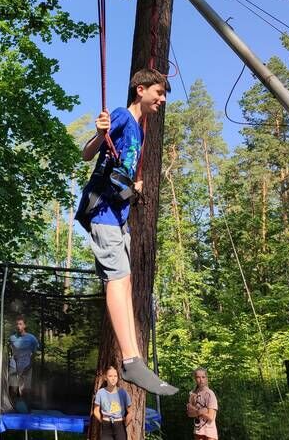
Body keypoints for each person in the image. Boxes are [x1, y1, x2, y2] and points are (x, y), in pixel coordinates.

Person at [78, 68, 178, 396]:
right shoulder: (122, 115)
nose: (162, 100)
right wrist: (98, 133)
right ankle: (131, 361)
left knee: (127, 279)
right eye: (159, 93)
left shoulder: (140, 131)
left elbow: (119, 169)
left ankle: (135, 359)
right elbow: (88, 153)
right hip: (102, 210)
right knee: (117, 279)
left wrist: (133, 188)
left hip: (118, 215)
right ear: (140, 90)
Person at [8, 315, 39, 411]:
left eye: (20, 324)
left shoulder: (32, 338)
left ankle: (27, 410)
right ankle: (12, 409)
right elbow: (9, 349)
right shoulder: (12, 338)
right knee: (13, 389)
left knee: (25, 390)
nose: (18, 326)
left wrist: (30, 364)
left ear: (25, 325)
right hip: (14, 365)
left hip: (26, 366)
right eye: (17, 324)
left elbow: (35, 352)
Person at [93, 366, 133, 440]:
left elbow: (130, 412)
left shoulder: (123, 393)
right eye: (110, 376)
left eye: (115, 376)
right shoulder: (101, 393)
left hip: (120, 426)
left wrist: (124, 424)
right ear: (105, 378)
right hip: (106, 427)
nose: (113, 378)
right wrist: (102, 421)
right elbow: (96, 410)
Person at [187, 367, 218, 440]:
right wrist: (200, 411)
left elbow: (210, 417)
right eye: (198, 377)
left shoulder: (210, 394)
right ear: (195, 379)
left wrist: (196, 411)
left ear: (206, 378)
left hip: (209, 433)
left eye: (203, 377)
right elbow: (189, 413)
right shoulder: (193, 394)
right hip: (198, 432)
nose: (201, 380)